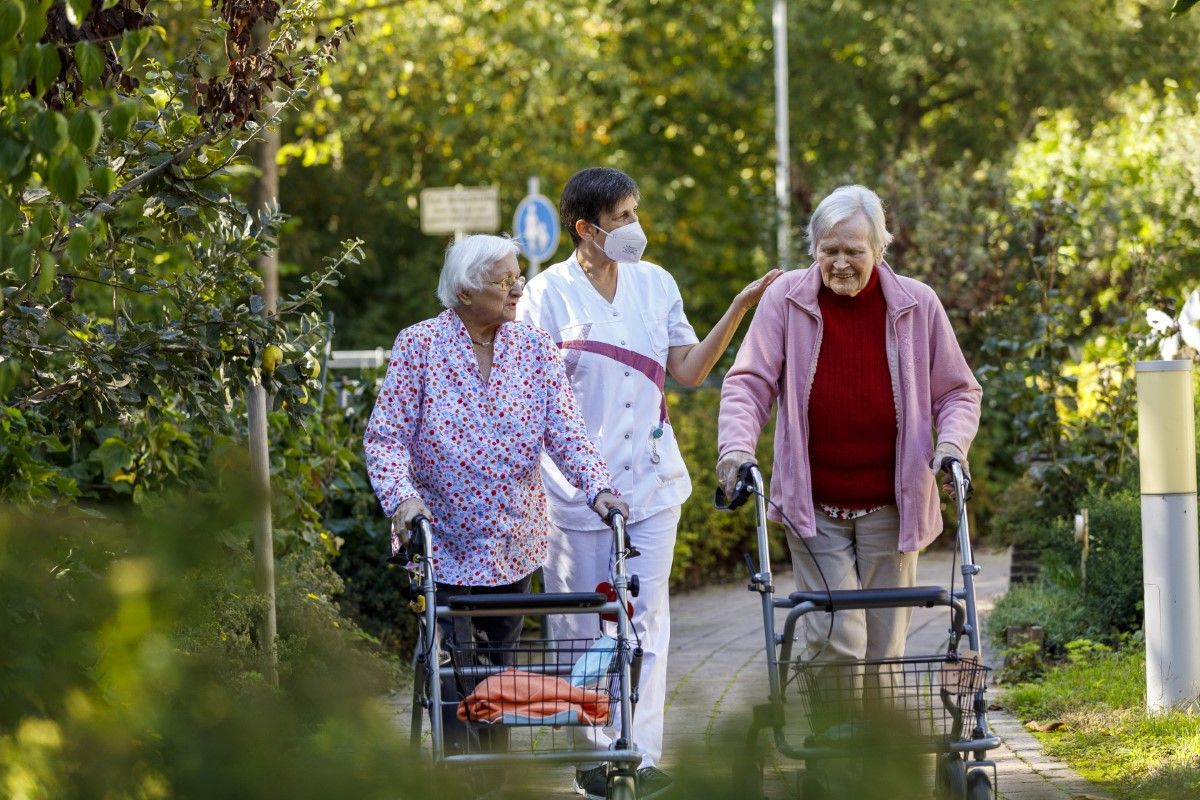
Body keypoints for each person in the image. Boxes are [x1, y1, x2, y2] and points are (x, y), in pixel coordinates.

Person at [517, 166, 780, 800]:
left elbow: (688, 369)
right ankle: (592, 755)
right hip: (577, 496)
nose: (636, 226)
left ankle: (639, 754)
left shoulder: (655, 283)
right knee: (583, 629)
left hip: (654, 485)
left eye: (636, 212)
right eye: (624, 217)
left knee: (646, 624)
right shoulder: (546, 296)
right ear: (587, 229)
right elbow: (529, 400)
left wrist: (739, 309)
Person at [363, 234, 628, 761]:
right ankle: (460, 774)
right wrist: (402, 500)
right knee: (456, 669)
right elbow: (385, 438)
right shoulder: (420, 346)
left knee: (500, 672)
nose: (517, 289)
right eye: (504, 280)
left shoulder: (535, 349)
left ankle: (496, 776)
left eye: (518, 277)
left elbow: (568, 433)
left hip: (513, 541)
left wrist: (599, 487)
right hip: (442, 543)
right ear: (464, 291)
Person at [716, 184, 982, 668]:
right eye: (829, 250)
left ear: (879, 250)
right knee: (837, 641)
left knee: (885, 651)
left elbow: (958, 392)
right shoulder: (785, 299)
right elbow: (749, 383)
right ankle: (835, 721)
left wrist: (952, 445)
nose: (840, 263)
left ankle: (881, 722)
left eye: (854, 251)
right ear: (814, 249)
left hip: (894, 505)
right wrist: (736, 448)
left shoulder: (917, 303)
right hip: (813, 504)